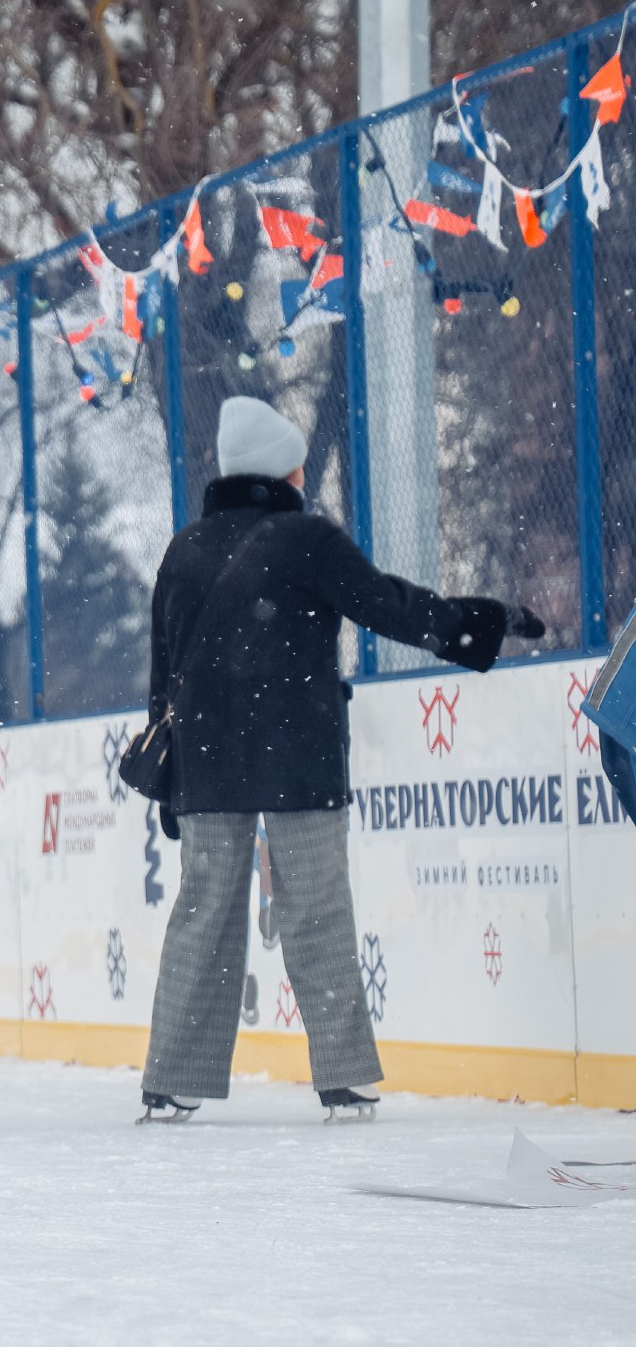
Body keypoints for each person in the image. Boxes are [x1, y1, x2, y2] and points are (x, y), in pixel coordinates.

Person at [138, 397, 542, 1123]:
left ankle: (172, 1080)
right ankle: (345, 1079)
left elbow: (162, 672)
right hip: (298, 756)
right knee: (318, 911)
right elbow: (388, 606)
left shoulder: (184, 549)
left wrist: (171, 782)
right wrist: (481, 621)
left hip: (207, 759)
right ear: (283, 470)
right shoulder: (306, 538)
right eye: (297, 463)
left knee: (202, 914)